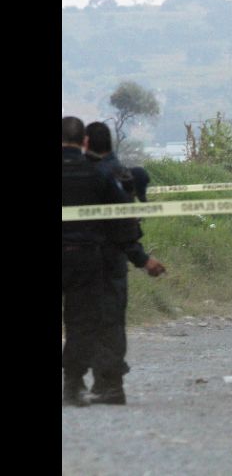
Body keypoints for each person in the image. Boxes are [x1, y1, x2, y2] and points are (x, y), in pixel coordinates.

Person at [62, 117, 144, 407]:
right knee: (81, 322)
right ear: (83, 141)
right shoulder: (97, 173)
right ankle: (72, 384)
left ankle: (84, 384)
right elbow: (121, 218)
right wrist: (141, 257)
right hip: (86, 259)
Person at [84, 121, 166, 404]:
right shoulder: (119, 172)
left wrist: (142, 259)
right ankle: (103, 382)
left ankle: (111, 385)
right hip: (111, 261)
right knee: (108, 321)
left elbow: (121, 226)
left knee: (102, 322)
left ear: (85, 143)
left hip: (101, 259)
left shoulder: (100, 175)